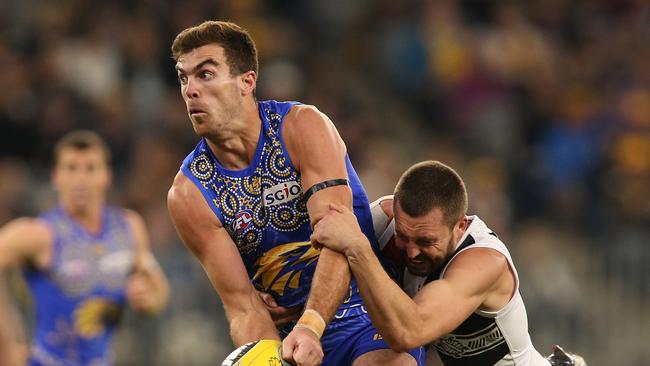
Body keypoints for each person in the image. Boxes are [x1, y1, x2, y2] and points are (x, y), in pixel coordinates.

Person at [166, 20, 423, 366]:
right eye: (184, 78)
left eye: (206, 74)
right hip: (291, 343)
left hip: (366, 315)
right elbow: (243, 306)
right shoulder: (188, 194)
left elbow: (339, 239)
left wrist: (312, 325)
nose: (191, 89)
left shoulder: (302, 128)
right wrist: (272, 357)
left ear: (247, 81)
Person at [311, 160, 567, 365]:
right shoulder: (384, 220)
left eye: (425, 241)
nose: (411, 252)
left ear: (460, 226)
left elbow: (408, 331)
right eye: (403, 236)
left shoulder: (485, 262)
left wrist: (359, 250)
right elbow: (323, 263)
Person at [0, 130, 170, 366]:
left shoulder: (129, 227)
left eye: (90, 168)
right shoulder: (38, 234)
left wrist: (149, 298)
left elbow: (157, 287)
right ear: (56, 176)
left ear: (106, 176)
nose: (80, 178)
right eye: (71, 168)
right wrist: (7, 342)